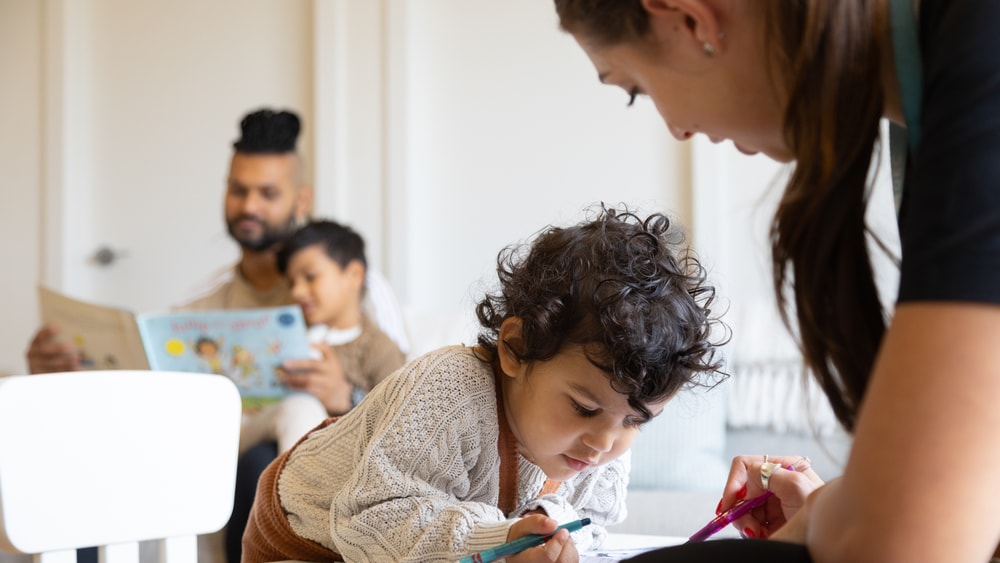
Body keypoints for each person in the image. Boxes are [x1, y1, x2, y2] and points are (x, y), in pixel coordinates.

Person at [554, 1, 1000, 562]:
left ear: (691, 18)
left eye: (634, 88)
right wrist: (837, 508)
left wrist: (841, 517)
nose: (678, 128)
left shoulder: (979, 66)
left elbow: (907, 545)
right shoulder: (933, 105)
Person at [22, 108, 410, 563]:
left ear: (301, 201)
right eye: (237, 190)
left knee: (262, 459)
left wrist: (350, 394)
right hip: (206, 450)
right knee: (85, 445)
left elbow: (408, 403)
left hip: (305, 459)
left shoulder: (347, 286)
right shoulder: (198, 305)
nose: (249, 206)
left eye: (267, 193)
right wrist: (64, 373)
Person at [240, 206, 725, 563]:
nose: (604, 443)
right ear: (515, 348)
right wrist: (505, 537)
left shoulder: (608, 431)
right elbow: (370, 520)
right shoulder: (450, 388)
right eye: (582, 408)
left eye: (636, 422)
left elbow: (592, 522)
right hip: (308, 536)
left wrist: (550, 536)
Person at [236, 218, 406, 456]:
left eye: (310, 277)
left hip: (333, 452)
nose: (297, 291)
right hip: (258, 433)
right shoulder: (286, 339)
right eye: (292, 283)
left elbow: (400, 421)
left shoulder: (378, 348)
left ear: (354, 275)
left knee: (301, 408)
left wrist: (349, 396)